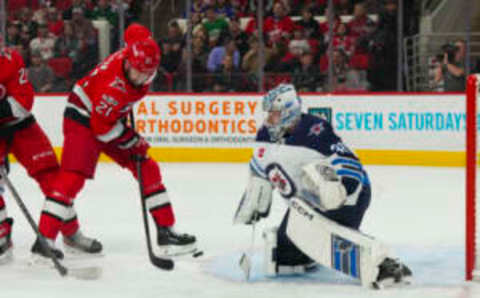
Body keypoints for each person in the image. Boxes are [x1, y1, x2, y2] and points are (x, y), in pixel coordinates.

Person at [32, 23, 197, 261]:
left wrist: (142, 40)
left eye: (144, 74)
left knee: (147, 167)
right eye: (134, 71)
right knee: (72, 179)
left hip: (108, 118)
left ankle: (166, 230)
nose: (137, 77)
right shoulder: (114, 88)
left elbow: (134, 29)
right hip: (83, 119)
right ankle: (44, 239)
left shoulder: (138, 50)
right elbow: (101, 128)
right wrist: (132, 139)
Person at [233, 84, 412, 288]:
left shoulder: (315, 130)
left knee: (315, 235)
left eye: (273, 114)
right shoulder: (265, 135)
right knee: (285, 257)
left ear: (288, 112)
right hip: (307, 204)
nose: (268, 119)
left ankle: (382, 263)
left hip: (347, 199)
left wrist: (340, 190)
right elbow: (259, 167)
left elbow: (348, 162)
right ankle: (310, 251)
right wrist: (256, 193)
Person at [0, 39, 91, 264]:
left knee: (54, 179)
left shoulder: (11, 59)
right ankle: (2, 236)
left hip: (21, 127)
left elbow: (24, 102)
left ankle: (70, 233)